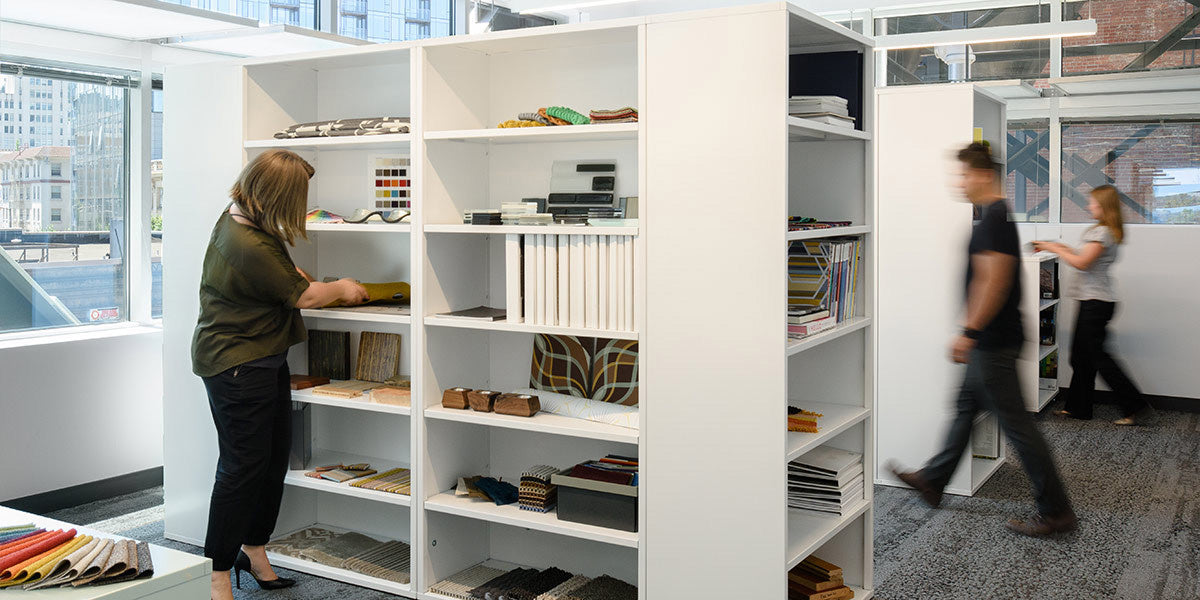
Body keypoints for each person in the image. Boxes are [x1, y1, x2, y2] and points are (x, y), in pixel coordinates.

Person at [191, 149, 368, 600]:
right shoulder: (245, 243)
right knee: (240, 470)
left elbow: (283, 276)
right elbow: (306, 297)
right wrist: (344, 289)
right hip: (236, 364)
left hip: (263, 357)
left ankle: (254, 550)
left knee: (271, 464)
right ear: (276, 196)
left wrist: (293, 275)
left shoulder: (247, 220)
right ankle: (216, 575)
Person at [890, 142, 1076, 537]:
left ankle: (1057, 512)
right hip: (989, 340)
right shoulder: (992, 217)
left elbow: (995, 281)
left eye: (963, 174)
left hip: (992, 342)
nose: (958, 182)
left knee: (1019, 429)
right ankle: (934, 481)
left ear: (983, 176)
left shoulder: (994, 219)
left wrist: (969, 332)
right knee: (963, 409)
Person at [1033, 185, 1150, 425]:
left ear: (1104, 206)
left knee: (1098, 358)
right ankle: (1078, 408)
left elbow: (1082, 263)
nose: (1089, 206)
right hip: (1094, 301)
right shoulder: (1103, 231)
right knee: (1081, 358)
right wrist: (1058, 246)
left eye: (1093, 203)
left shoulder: (1103, 233)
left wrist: (1052, 247)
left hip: (1096, 303)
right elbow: (1083, 255)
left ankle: (1136, 406)